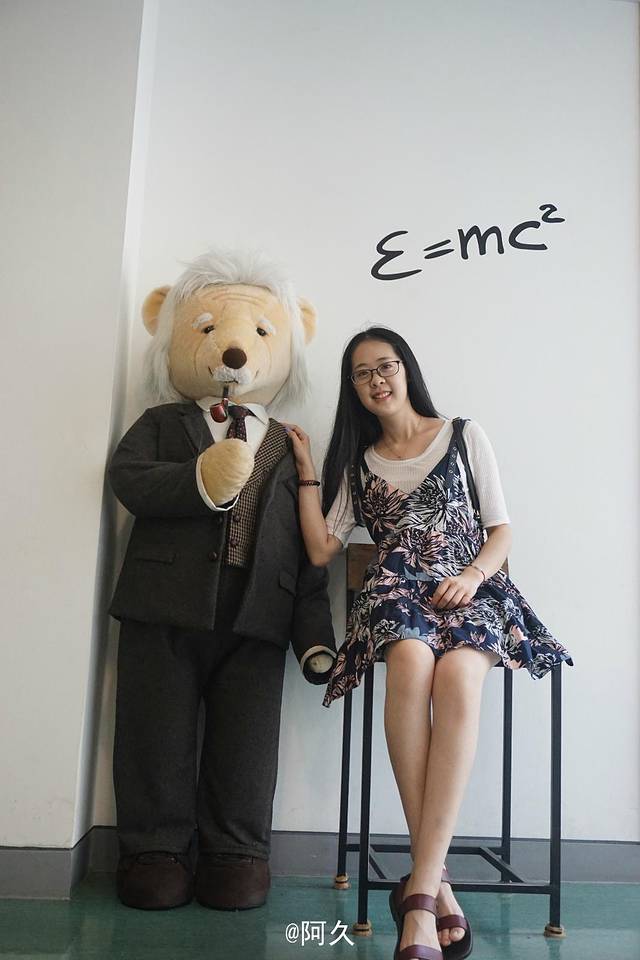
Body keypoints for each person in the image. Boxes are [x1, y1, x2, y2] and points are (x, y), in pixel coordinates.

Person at [285, 327, 572, 960]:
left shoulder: (464, 435)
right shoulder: (358, 464)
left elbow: (500, 529)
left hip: (472, 587)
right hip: (395, 590)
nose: (377, 380)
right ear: (353, 389)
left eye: (385, 366)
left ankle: (420, 891)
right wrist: (307, 470)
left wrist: (472, 576)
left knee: (460, 676)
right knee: (412, 663)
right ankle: (432, 888)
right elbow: (322, 549)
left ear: (406, 369)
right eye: (362, 373)